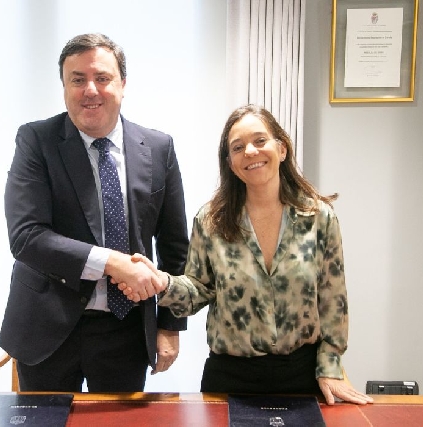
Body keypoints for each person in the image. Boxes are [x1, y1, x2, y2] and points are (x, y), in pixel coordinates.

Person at [121, 104, 373, 405]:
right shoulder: (211, 221)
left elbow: (334, 300)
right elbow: (197, 291)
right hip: (230, 378)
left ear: (282, 148)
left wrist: (330, 366)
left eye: (260, 140)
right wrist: (162, 283)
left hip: (303, 376)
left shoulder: (319, 217)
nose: (250, 152)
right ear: (230, 163)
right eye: (238, 147)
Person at [0, 33, 189, 392]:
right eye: (78, 79)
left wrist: (170, 324)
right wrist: (113, 263)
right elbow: (26, 237)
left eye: (102, 78)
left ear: (122, 84)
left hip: (126, 330)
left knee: (120, 420)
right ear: (64, 87)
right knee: (45, 419)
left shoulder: (158, 147)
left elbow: (174, 245)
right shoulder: (36, 141)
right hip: (47, 326)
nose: (90, 90)